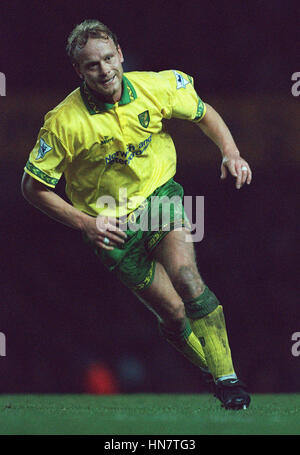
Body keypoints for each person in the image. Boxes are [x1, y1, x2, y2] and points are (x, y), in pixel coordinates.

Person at [21, 19, 252, 410]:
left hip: (159, 199)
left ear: (120, 55)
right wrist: (86, 223)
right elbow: (32, 187)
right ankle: (215, 372)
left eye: (109, 58)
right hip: (109, 224)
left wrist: (231, 152)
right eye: (92, 65)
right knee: (174, 313)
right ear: (78, 70)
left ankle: (229, 383)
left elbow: (202, 111)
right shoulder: (63, 122)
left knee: (186, 275)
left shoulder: (155, 87)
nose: (104, 70)